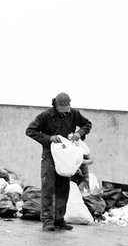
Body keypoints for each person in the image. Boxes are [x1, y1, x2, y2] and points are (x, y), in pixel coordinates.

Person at [25, 92, 92, 231]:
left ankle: (59, 219)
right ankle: (47, 221)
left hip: (66, 156)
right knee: (48, 187)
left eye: (66, 109)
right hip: (50, 155)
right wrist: (49, 138)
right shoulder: (45, 116)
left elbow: (87, 124)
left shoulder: (74, 114)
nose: (64, 113)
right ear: (55, 104)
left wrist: (79, 133)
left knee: (63, 187)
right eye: (61, 110)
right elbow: (30, 130)